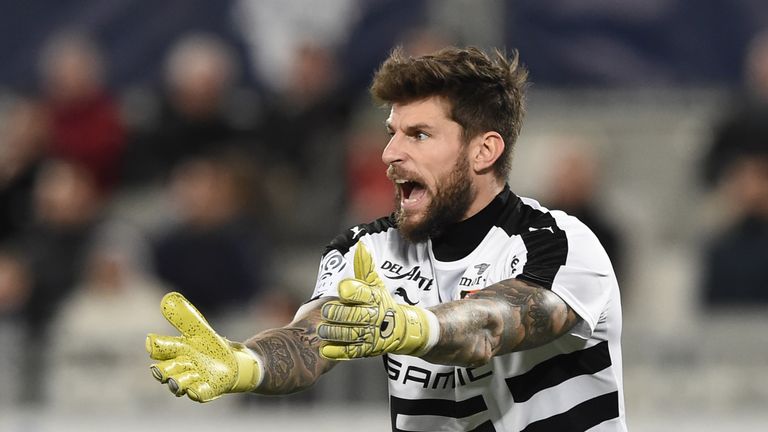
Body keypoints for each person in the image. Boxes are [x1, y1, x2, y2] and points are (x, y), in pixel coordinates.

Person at [147, 46, 627, 431]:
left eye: (419, 135)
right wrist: (245, 364)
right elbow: (311, 342)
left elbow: (494, 324)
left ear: (484, 150)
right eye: (391, 132)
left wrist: (410, 327)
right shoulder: (365, 251)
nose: (390, 153)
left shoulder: (559, 242)